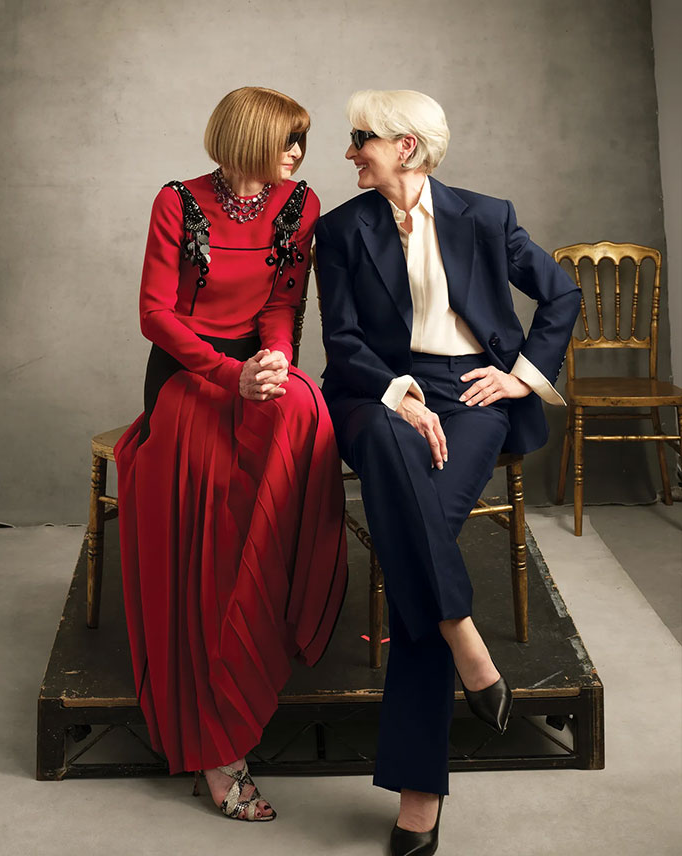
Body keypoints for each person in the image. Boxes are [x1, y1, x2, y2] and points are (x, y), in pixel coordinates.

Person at [315, 89, 581, 855]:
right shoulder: (341, 229)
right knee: (398, 464)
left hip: (470, 395)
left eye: (360, 137)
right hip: (374, 392)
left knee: (414, 542)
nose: (349, 151)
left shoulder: (486, 216)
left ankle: (420, 792)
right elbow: (343, 340)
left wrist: (521, 377)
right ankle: (466, 641)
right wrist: (398, 393)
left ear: (405, 146)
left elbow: (560, 293)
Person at [114, 86, 347, 823]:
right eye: (287, 140)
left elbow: (282, 302)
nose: (299, 154)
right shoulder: (177, 201)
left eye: (302, 141)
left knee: (306, 410)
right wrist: (229, 375)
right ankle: (218, 739)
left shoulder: (299, 204)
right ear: (248, 141)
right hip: (190, 376)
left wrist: (275, 358)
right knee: (216, 502)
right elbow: (156, 314)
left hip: (255, 368)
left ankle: (274, 608)